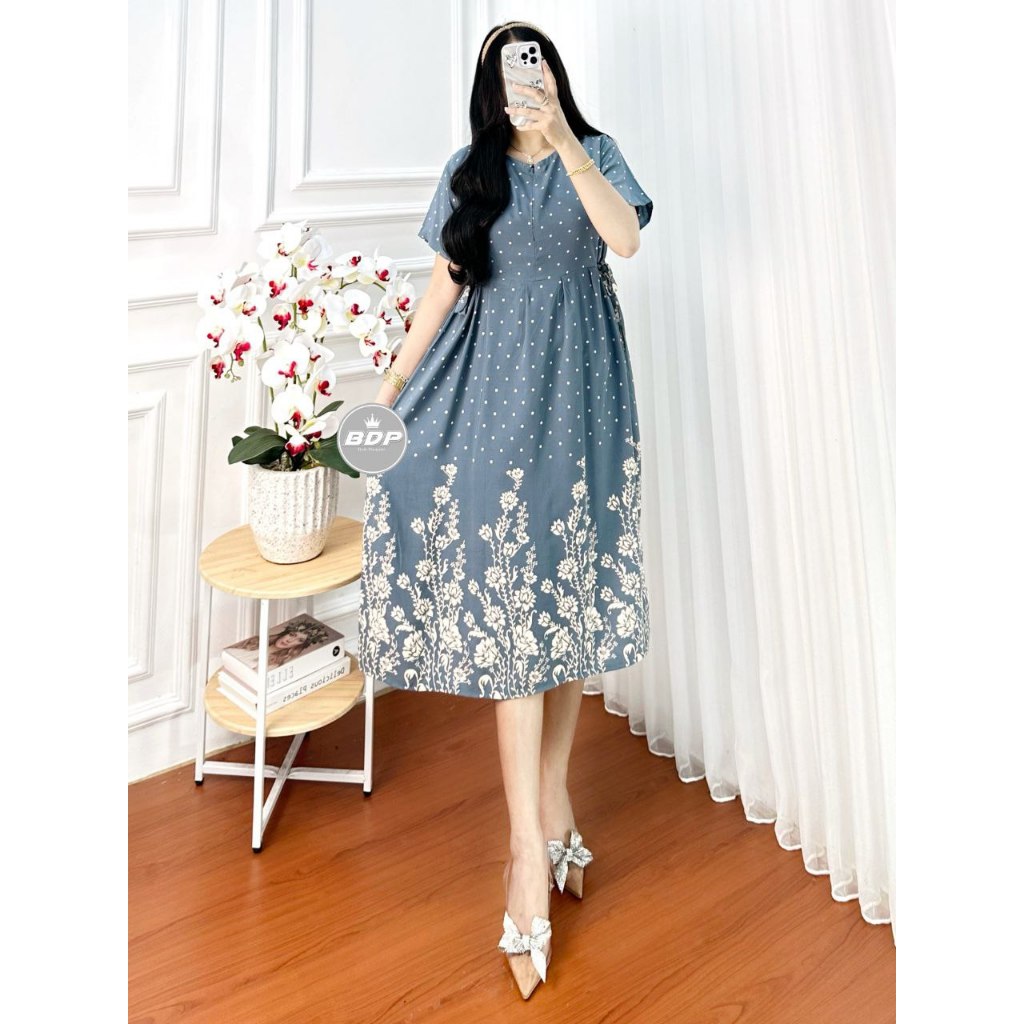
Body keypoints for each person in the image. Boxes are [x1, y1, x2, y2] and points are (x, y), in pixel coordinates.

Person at [357, 19, 654, 999]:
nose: (524, 81)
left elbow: (624, 238)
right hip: (490, 402)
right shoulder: (470, 172)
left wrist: (565, 139)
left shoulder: (594, 152)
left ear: (555, 77)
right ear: (489, 87)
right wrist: (388, 390)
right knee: (516, 615)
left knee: (560, 607)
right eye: (508, 69)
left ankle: (556, 797)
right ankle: (528, 852)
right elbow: (441, 291)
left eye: (537, 65)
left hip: (583, 401)